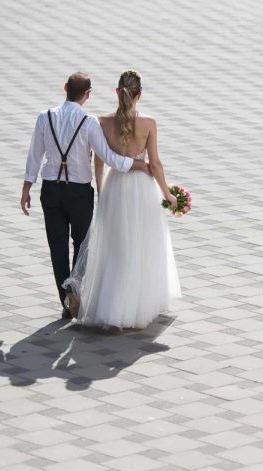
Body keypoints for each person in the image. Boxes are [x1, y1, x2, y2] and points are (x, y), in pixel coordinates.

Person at [21, 72, 152, 319]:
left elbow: (34, 156)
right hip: (79, 192)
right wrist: (139, 165)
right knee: (82, 246)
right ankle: (74, 291)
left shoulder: (44, 117)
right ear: (88, 95)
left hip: (50, 190)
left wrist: (27, 187)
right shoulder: (89, 122)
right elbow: (109, 157)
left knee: (56, 246)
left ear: (65, 88)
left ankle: (66, 299)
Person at [63, 69, 182, 329]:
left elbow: (98, 161)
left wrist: (101, 191)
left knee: (116, 248)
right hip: (142, 189)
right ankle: (138, 305)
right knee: (141, 245)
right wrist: (168, 194)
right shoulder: (149, 123)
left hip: (115, 186)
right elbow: (155, 164)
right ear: (140, 94)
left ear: (117, 92)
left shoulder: (102, 122)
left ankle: (112, 306)